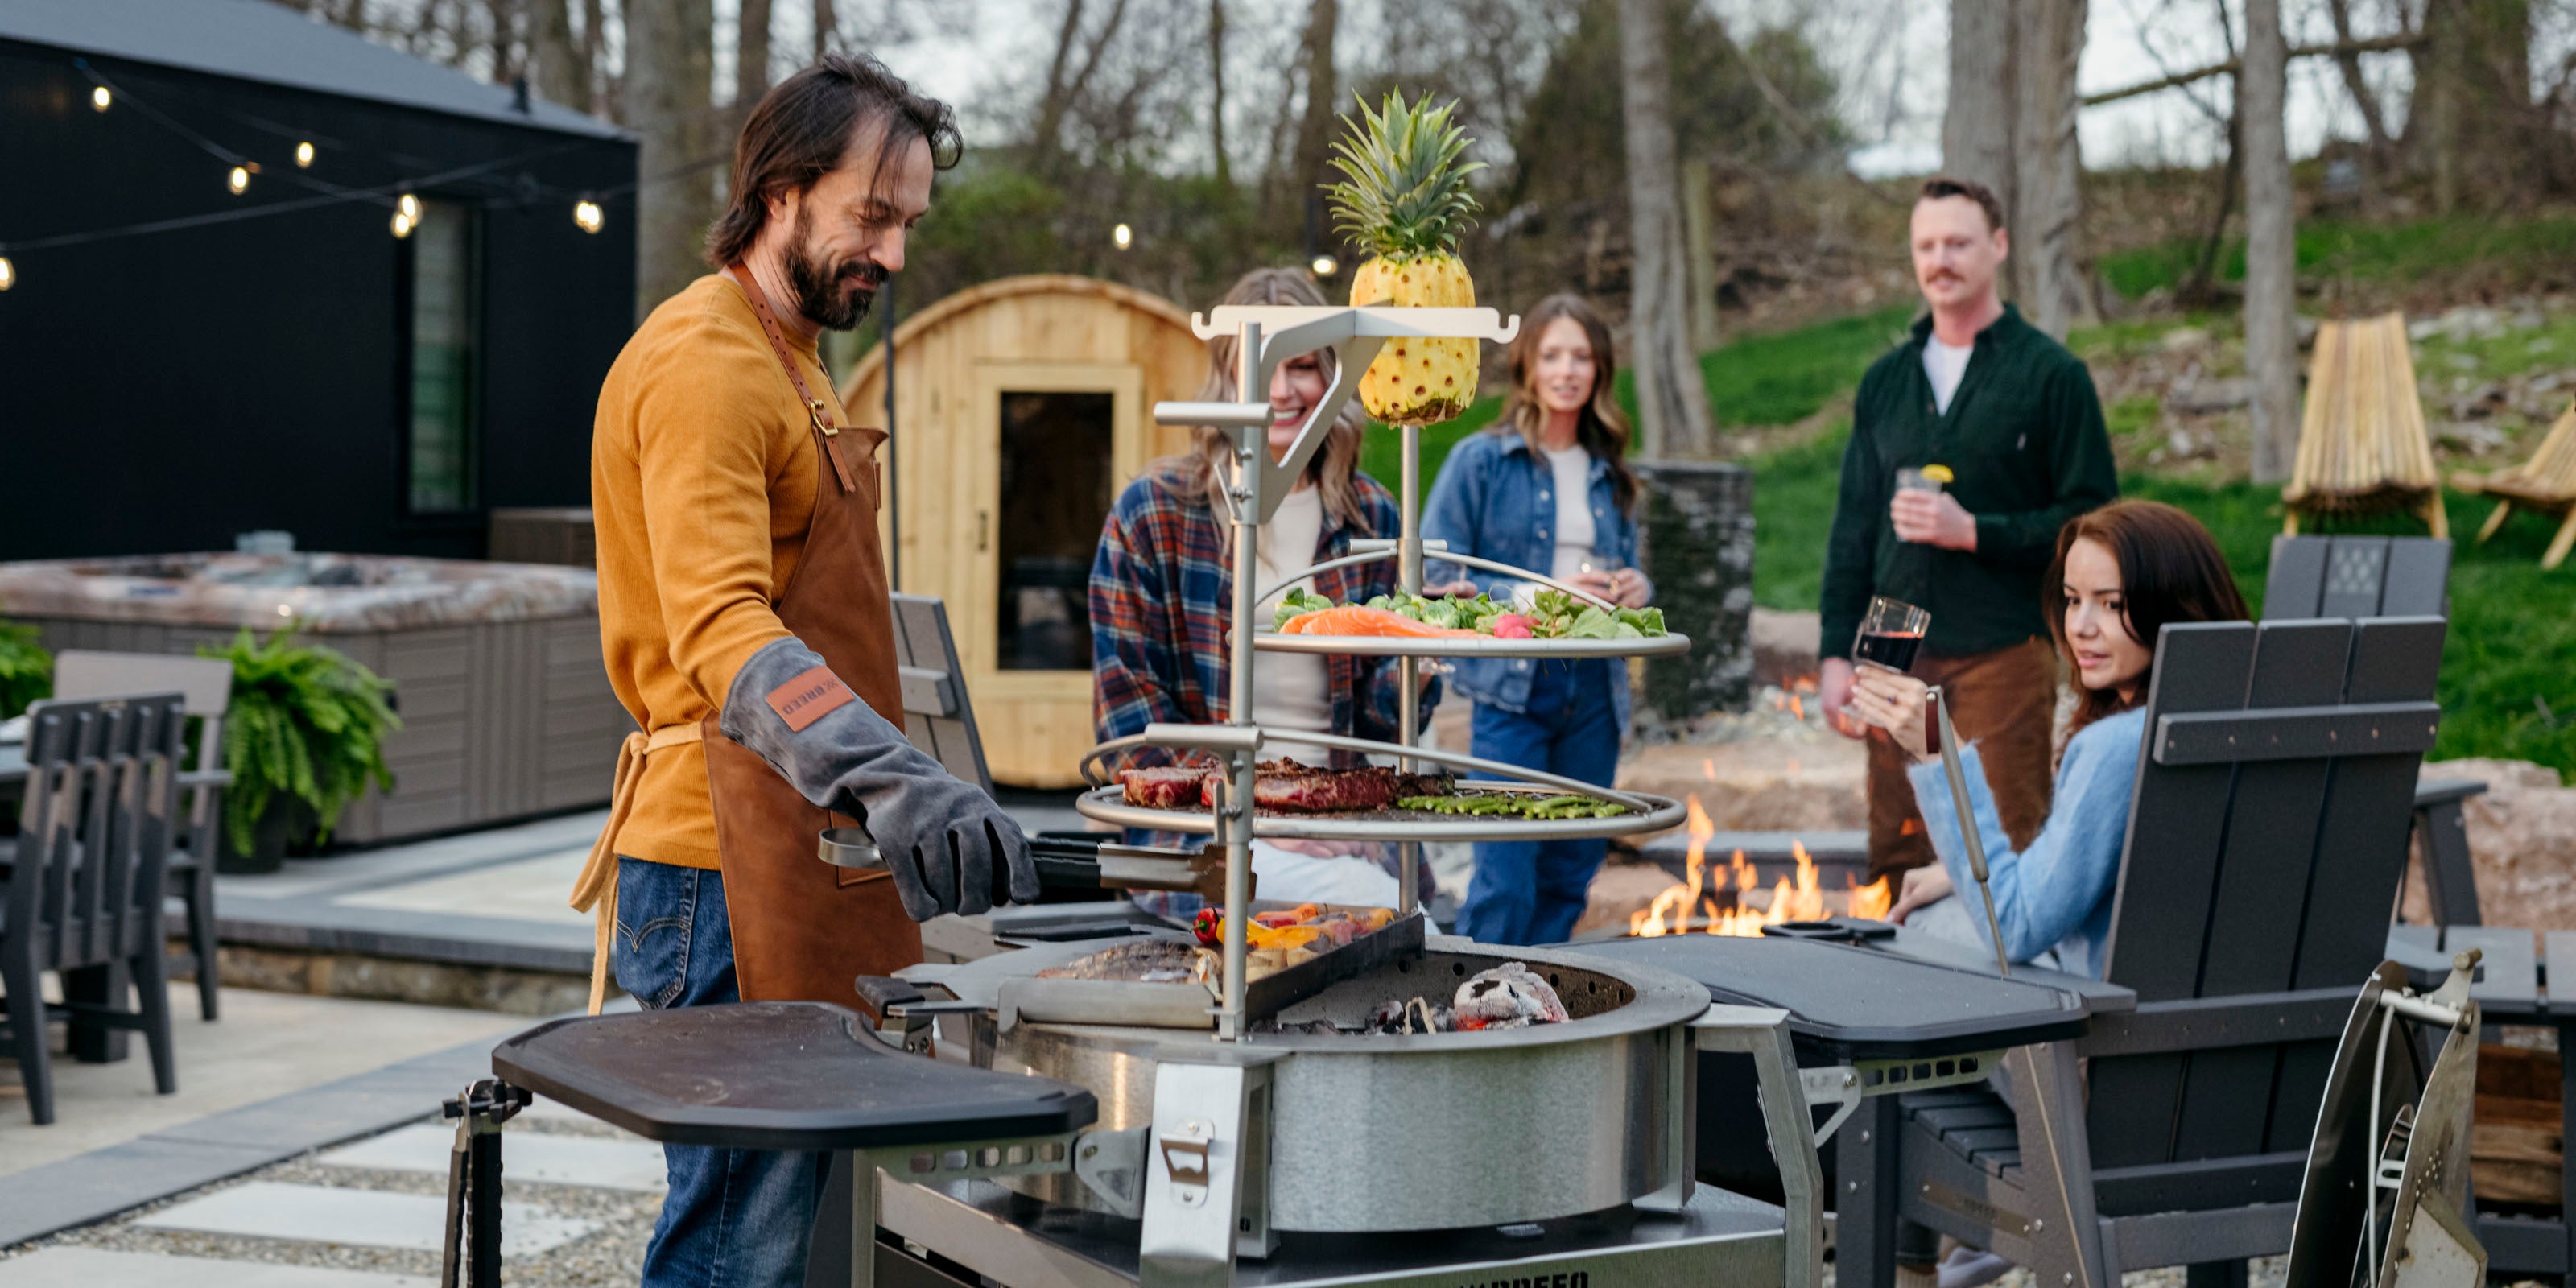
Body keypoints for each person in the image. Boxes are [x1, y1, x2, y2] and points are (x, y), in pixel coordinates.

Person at [575, 56, 1037, 1288]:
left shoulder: (787, 353)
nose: (893, 252)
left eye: (909, 224)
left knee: (777, 1238)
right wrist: (894, 777)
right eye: (871, 215)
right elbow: (722, 630)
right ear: (781, 191)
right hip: (717, 871)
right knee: (739, 1241)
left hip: (784, 843)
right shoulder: (708, 364)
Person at [1090, 266, 1436, 916]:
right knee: (1388, 919)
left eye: (1301, 365)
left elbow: (1380, 727)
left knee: (1397, 919)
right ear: (1226, 379)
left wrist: (1418, 665)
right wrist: (1262, 808)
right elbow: (1129, 722)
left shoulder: (1372, 516)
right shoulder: (1153, 514)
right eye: (1260, 365)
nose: (1280, 390)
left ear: (1333, 376)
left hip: (1342, 827)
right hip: (1201, 834)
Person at [1821, 175, 2120, 895]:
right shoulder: (1885, 381)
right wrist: (1834, 652)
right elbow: (1853, 525)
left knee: (2001, 856)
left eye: (1957, 243)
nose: (1940, 260)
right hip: (1893, 651)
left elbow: (2094, 521)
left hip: (2002, 651)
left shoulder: (2052, 375)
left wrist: (1974, 532)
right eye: (1926, 246)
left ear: (1999, 246)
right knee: (1897, 854)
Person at [1851, 500, 2250, 978]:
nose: (2079, 627)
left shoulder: (2116, 747)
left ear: (2173, 606)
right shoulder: (2246, 721)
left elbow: (2013, 927)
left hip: (2109, 1007)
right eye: (2073, 599)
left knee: (1922, 919)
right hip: (2232, 1000)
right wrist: (1961, 877)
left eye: (2112, 604)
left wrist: (1937, 745)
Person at [1422, 294, 1651, 946]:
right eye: (1552, 356)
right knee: (1506, 876)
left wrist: (1639, 587)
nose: (1567, 371)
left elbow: (1631, 569)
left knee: (1571, 873)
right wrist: (1538, 596)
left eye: (1581, 357)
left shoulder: (1612, 473)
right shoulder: (1480, 461)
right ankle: (1480, 995)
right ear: (1527, 366)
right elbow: (1433, 575)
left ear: (1600, 369)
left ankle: (1540, 993)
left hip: (1595, 690)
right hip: (1514, 691)